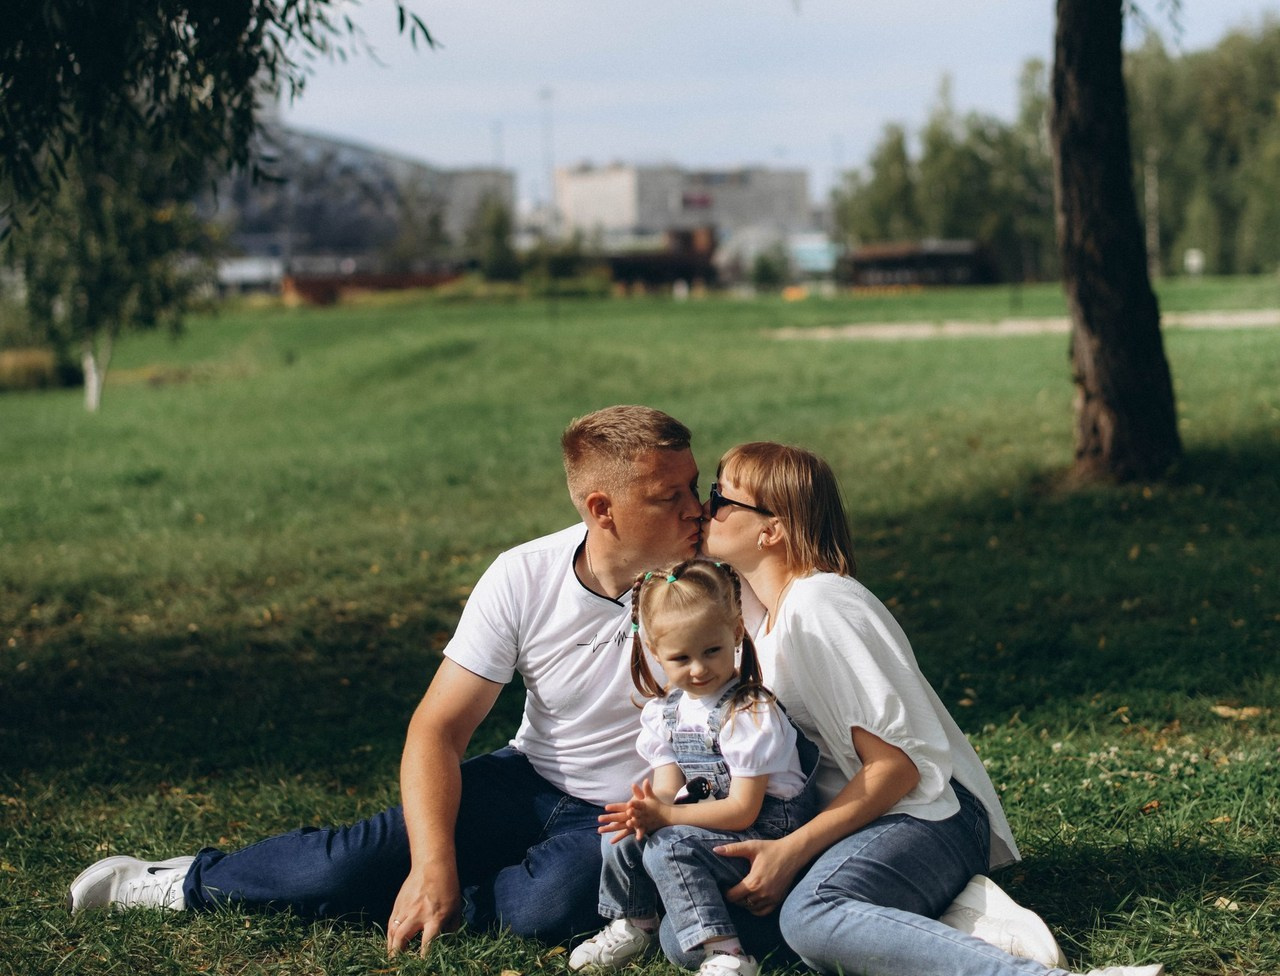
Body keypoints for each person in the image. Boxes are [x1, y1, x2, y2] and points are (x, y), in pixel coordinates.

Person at [67, 405, 706, 956]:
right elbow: (438, 727)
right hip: (527, 778)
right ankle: (185, 882)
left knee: (545, 908)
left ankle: (438, 897)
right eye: (668, 496)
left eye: (694, 488)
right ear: (602, 509)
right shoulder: (524, 576)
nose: (695, 510)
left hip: (626, 813)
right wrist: (431, 864)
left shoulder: (715, 583)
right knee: (343, 865)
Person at [693, 442, 1165, 976]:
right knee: (690, 928)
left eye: (719, 496)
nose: (705, 509)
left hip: (930, 813)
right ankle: (956, 922)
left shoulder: (821, 604)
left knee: (812, 917)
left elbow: (897, 768)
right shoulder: (762, 619)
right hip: (865, 826)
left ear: (771, 529)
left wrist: (793, 851)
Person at [569, 558, 816, 976]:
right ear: (655, 651)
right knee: (620, 836)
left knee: (672, 845)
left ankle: (729, 954)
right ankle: (634, 923)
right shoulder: (666, 713)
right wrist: (648, 813)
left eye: (712, 651)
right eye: (681, 657)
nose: (699, 668)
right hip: (713, 822)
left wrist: (669, 817)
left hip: (767, 831)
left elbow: (744, 810)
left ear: (736, 632)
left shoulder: (748, 711)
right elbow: (668, 788)